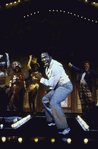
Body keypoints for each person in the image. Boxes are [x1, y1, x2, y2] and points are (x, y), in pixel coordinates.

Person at [35, 52, 73, 135]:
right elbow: (52, 84)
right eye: (42, 58)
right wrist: (49, 91)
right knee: (45, 99)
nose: (44, 60)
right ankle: (52, 120)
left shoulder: (56, 66)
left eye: (46, 57)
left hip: (65, 86)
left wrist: (41, 78)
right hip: (57, 87)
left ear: (50, 57)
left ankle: (65, 127)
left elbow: (51, 83)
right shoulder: (47, 68)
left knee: (54, 102)